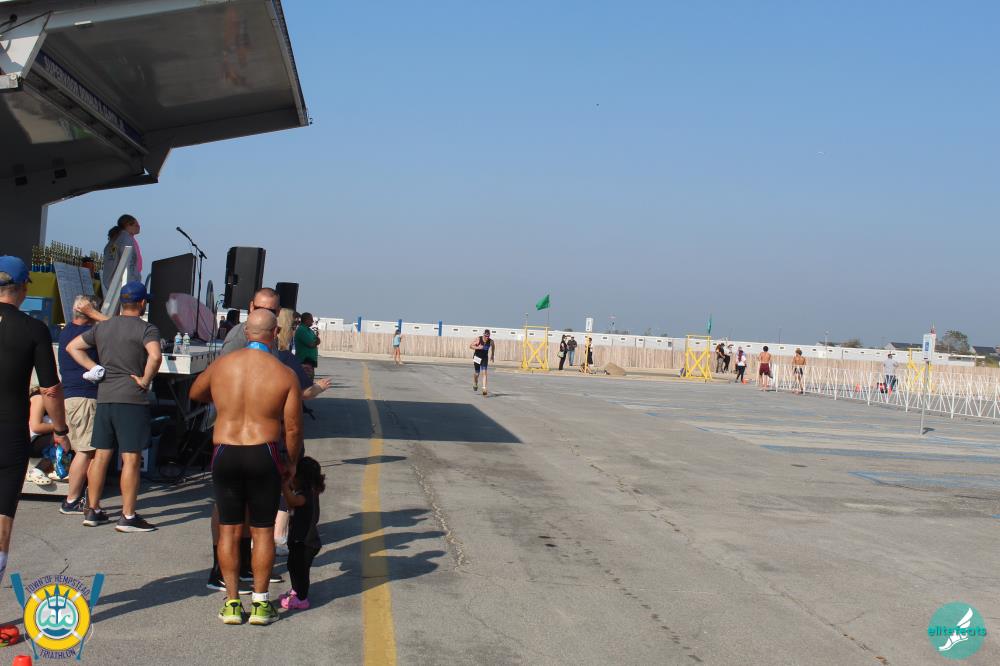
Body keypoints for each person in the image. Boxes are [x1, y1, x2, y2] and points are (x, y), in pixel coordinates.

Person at [190, 309, 303, 626]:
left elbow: (195, 392)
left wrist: (224, 395)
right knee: (262, 531)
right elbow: (293, 428)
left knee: (229, 528)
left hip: (225, 451)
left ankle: (231, 603)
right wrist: (291, 463)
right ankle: (261, 604)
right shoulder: (284, 374)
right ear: (275, 333)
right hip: (262, 451)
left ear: (246, 333)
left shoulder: (223, 364)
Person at [67, 281, 162, 532]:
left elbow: (72, 347)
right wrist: (145, 379)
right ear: (142, 303)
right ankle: (128, 516)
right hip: (132, 398)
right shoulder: (147, 328)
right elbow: (155, 355)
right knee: (131, 458)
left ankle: (93, 510)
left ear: (122, 302)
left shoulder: (103, 327)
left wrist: (95, 368)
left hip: (105, 396)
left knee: (101, 455)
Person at [0, 256, 71, 590]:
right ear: (23, 288)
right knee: (3, 516)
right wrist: (60, 430)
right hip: (9, 432)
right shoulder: (33, 329)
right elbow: (50, 389)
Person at [58, 295, 108, 514]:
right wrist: (95, 314)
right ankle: (71, 500)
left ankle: (75, 498)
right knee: (85, 451)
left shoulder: (67, 330)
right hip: (85, 397)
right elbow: (117, 327)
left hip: (72, 396)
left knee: (82, 448)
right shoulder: (88, 334)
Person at [278, 456, 324, 611]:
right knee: (292, 565)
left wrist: (284, 486)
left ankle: (301, 598)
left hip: (306, 542)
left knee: (301, 570)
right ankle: (296, 591)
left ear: (300, 478)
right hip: (300, 539)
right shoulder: (309, 491)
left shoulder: (305, 495)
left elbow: (292, 501)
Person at [221, 288, 282, 355]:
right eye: (258, 309)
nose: (263, 314)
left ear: (278, 312)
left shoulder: (272, 335)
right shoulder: (237, 339)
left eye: (270, 311)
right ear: (251, 307)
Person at [101, 214, 142, 293]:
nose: (139, 227)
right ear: (128, 225)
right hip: (124, 286)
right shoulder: (126, 239)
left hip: (113, 285)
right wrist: (133, 285)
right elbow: (128, 263)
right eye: (136, 225)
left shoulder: (115, 239)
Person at [294, 312, 321, 382]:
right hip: (304, 361)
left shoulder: (309, 330)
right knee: (306, 383)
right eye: (311, 319)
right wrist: (316, 342)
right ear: (306, 320)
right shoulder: (302, 330)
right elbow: (311, 344)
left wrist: (316, 341)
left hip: (310, 361)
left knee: (309, 382)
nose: (312, 321)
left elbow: (318, 341)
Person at [470, 330, 496, 396]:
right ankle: (475, 382)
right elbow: (471, 346)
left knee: (484, 373)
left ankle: (484, 388)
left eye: (488, 336)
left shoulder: (491, 341)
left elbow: (493, 347)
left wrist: (492, 355)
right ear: (483, 335)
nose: (487, 337)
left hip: (484, 358)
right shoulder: (479, 339)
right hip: (477, 357)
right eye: (486, 336)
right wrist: (478, 347)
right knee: (477, 373)